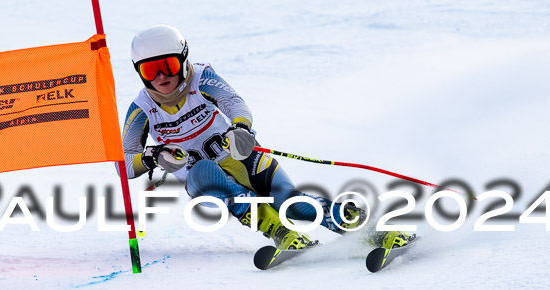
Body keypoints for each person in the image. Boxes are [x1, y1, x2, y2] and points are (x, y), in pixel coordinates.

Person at [120, 24, 409, 250]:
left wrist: (240, 128)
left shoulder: (201, 78)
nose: (160, 76)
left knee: (291, 203)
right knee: (202, 170)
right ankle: (279, 231)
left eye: (167, 65)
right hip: (206, 184)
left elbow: (234, 103)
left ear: (183, 59)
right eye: (149, 69)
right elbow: (124, 162)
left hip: (241, 157)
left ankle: (373, 229)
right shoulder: (141, 109)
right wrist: (152, 156)